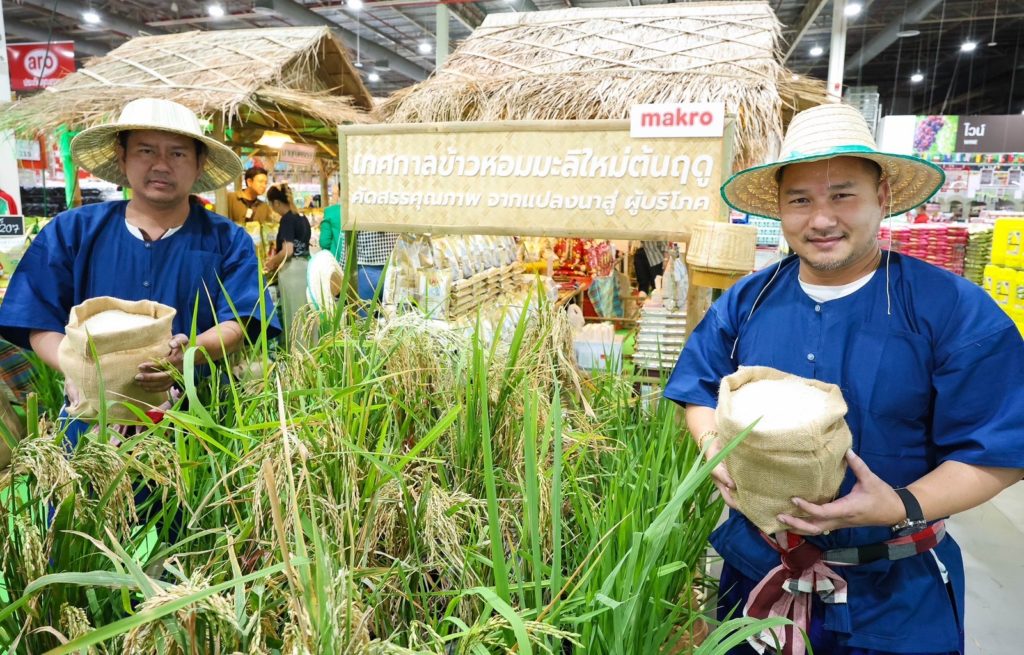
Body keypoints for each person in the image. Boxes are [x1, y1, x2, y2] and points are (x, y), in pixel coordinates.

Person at [664, 103, 1024, 655]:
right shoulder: (748, 299)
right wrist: (716, 448)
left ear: (883, 197)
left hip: (895, 591)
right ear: (779, 210)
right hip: (758, 570)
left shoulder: (950, 310)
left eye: (843, 195)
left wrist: (901, 503)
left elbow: (1000, 450)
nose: (822, 219)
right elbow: (697, 388)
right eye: (801, 200)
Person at [0, 97, 279, 440]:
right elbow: (37, 319)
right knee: (91, 494)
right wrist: (80, 371)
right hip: (91, 423)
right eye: (146, 151)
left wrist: (190, 354)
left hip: (197, 422)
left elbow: (241, 320)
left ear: (199, 163)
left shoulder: (227, 240)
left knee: (189, 494)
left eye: (177, 153)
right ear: (122, 156)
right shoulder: (71, 232)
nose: (161, 165)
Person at [264, 183, 311, 343]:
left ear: (276, 203)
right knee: (306, 315)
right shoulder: (302, 217)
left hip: (292, 272)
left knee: (294, 316)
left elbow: (288, 250)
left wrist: (271, 263)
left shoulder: (287, 220)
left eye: (271, 205)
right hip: (305, 268)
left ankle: (296, 356)